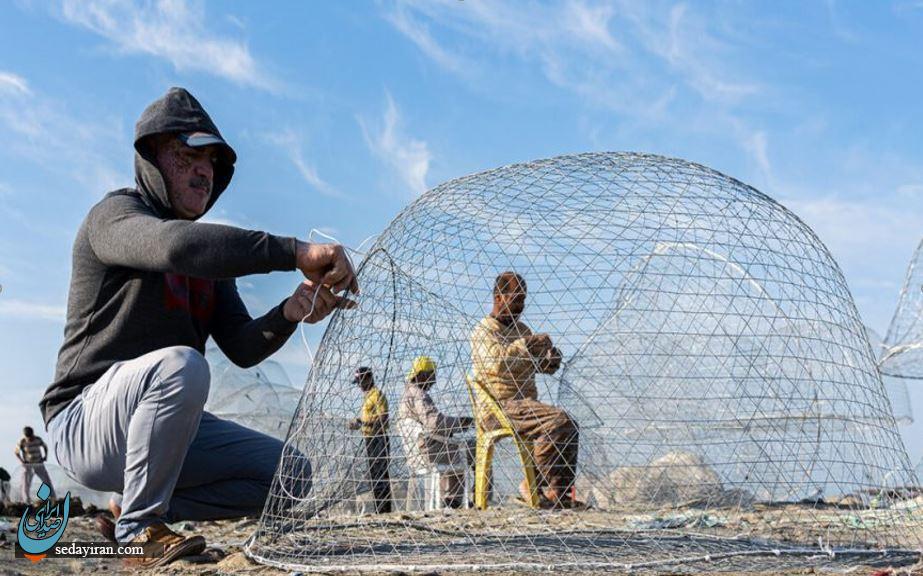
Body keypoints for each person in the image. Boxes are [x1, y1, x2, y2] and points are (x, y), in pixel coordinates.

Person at [39, 87, 358, 567]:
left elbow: (242, 348)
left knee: (290, 475)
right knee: (182, 365)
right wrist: (295, 252)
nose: (204, 171)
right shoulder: (115, 217)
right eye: (187, 155)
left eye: (212, 162)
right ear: (152, 157)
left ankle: (135, 508)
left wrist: (290, 313)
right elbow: (175, 247)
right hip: (83, 422)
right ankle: (140, 531)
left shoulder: (209, 263)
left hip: (159, 427)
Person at [469, 271, 581, 509]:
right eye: (516, 299)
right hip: (499, 408)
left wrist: (550, 360)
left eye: (523, 300)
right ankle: (531, 485)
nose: (521, 306)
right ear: (499, 297)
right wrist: (527, 344)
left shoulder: (522, 329)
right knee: (559, 421)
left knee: (569, 426)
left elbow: (537, 365)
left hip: (525, 407)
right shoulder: (484, 331)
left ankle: (558, 494)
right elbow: (497, 362)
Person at [398, 356, 474, 508]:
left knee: (455, 447)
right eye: (432, 376)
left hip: (420, 451)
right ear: (422, 375)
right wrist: (461, 422)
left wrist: (450, 429)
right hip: (430, 451)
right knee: (476, 447)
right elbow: (434, 423)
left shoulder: (407, 394)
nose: (434, 381)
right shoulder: (418, 395)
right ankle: (477, 497)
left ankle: (450, 498)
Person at [348, 367, 392, 513]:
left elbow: (383, 418)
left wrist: (362, 423)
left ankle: (384, 510)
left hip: (378, 438)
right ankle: (379, 509)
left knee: (380, 474)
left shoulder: (377, 395)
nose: (359, 386)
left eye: (361, 381)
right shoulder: (367, 397)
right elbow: (369, 419)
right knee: (374, 475)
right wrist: (358, 424)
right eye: (358, 382)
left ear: (369, 378)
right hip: (369, 438)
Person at [14, 427, 56, 503]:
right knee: (26, 483)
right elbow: (16, 452)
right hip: (28, 465)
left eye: (31, 437)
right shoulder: (22, 441)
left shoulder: (38, 439)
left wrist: (45, 456)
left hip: (39, 463)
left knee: (46, 481)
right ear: (25, 436)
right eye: (28, 438)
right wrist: (22, 461)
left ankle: (52, 497)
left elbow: (45, 447)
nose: (30, 439)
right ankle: (26, 500)